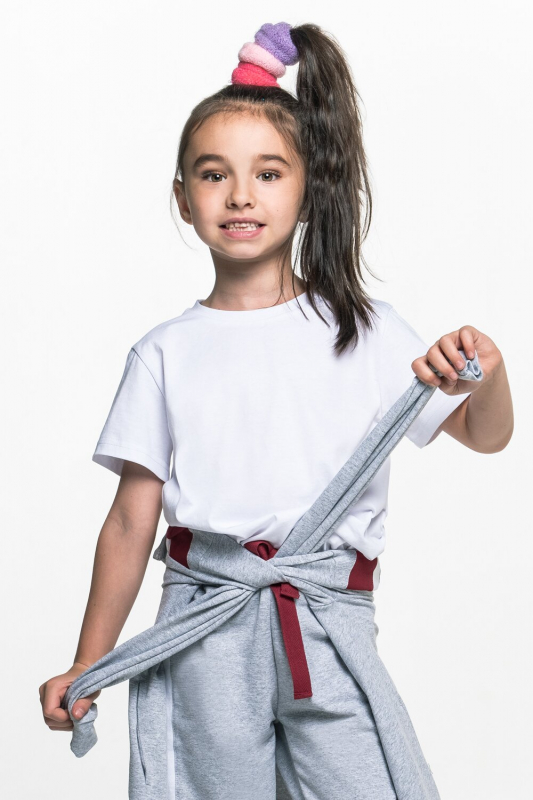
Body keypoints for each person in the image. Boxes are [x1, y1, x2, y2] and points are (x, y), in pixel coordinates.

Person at [39, 21, 513, 800]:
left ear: (307, 189)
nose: (239, 195)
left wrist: (486, 375)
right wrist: (89, 660)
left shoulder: (364, 331)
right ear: (183, 199)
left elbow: (484, 436)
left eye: (267, 173)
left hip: (327, 619)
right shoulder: (164, 353)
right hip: (202, 628)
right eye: (212, 174)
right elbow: (130, 521)